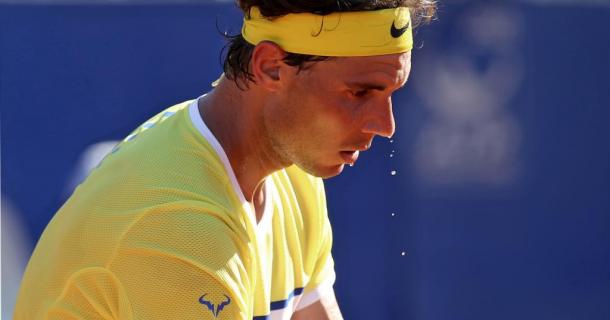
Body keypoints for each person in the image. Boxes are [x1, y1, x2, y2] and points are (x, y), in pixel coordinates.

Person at [15, 0, 436, 319]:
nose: (385, 125)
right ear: (271, 67)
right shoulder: (175, 226)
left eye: (390, 95)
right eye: (360, 93)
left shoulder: (294, 174)